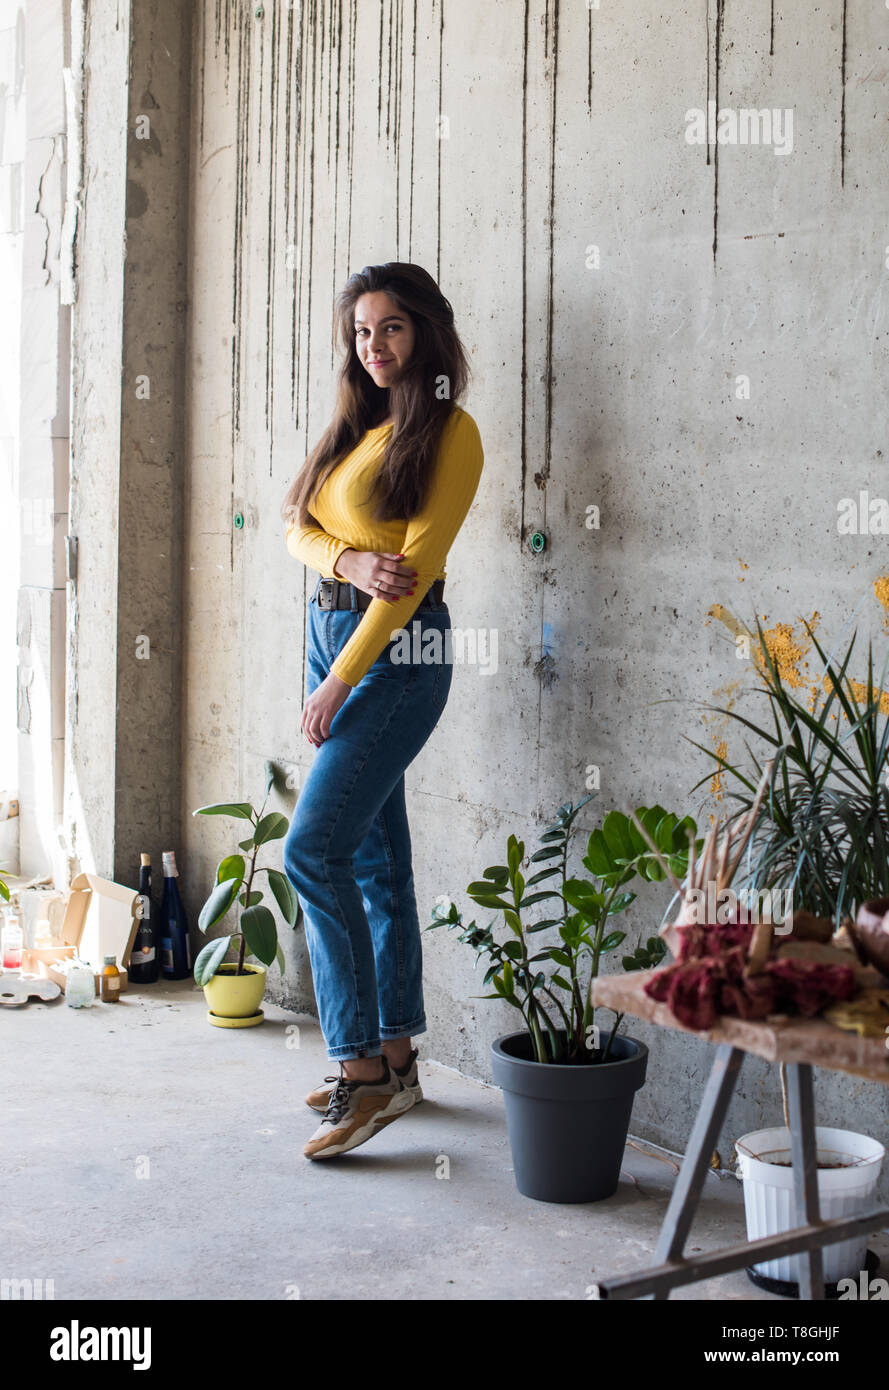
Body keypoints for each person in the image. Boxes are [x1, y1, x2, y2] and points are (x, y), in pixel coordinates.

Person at [280, 262, 484, 1159]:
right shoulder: (359, 423)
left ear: (427, 333)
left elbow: (409, 583)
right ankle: (398, 1059)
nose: (373, 348)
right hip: (333, 635)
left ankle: (361, 1074)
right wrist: (345, 563)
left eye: (391, 329)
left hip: (397, 657)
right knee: (374, 861)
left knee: (311, 849)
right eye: (362, 332)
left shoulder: (452, 435)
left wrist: (337, 683)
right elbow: (294, 523)